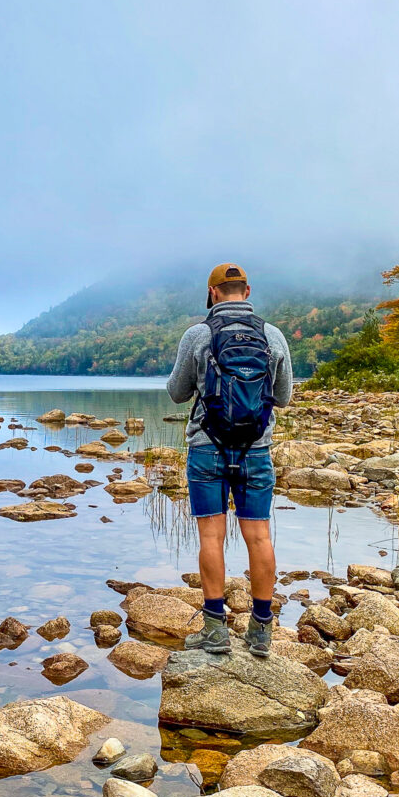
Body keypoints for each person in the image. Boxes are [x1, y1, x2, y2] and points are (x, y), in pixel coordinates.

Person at [166, 263, 293, 657]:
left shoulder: (198, 335)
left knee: (211, 537)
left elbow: (176, 392)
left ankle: (215, 630)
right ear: (247, 290)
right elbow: (284, 397)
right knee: (259, 536)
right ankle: (260, 632)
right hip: (256, 449)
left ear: (213, 293)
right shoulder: (273, 335)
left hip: (207, 448)